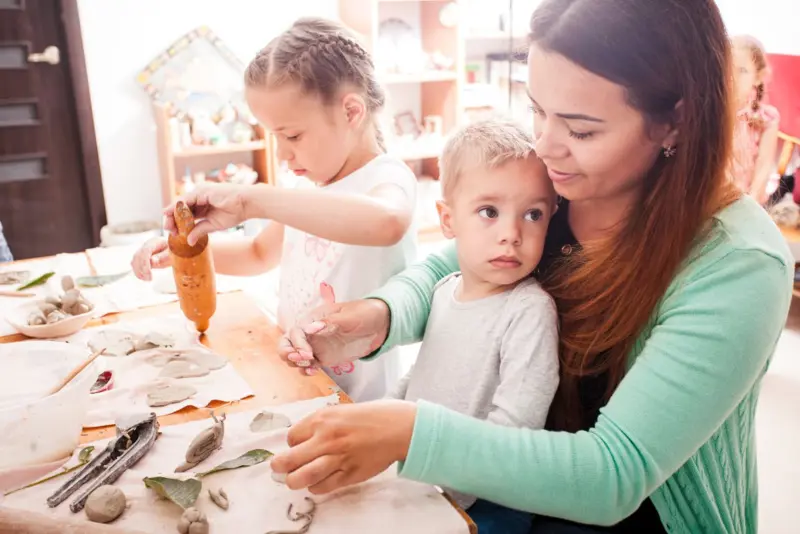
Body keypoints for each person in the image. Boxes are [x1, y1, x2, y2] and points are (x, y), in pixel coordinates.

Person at [271, 1, 794, 533]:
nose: (544, 147)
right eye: (538, 111)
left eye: (581, 130)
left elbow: (613, 474)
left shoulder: (740, 265)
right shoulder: (559, 191)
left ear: (676, 120)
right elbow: (448, 268)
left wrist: (410, 432)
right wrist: (379, 316)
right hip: (498, 497)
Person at [133, 17, 417, 402]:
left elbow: (387, 222)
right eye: (274, 138)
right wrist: (191, 250)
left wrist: (254, 200)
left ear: (352, 112)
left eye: (293, 135)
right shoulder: (308, 188)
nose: (283, 155)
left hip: (356, 400)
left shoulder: (386, 178)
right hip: (301, 379)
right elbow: (257, 253)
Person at [385, 120, 559, 533]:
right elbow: (422, 373)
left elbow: (516, 428)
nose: (511, 234)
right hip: (426, 483)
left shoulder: (530, 311)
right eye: (489, 212)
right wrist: (380, 417)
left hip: (489, 504)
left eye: (533, 214)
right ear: (448, 220)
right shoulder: (445, 291)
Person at [731, 35, 781, 205]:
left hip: (744, 203)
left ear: (758, 77)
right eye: (727, 68)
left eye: (741, 70)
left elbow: (763, 167)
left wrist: (749, 206)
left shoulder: (766, 119)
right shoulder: (713, 112)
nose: (732, 76)